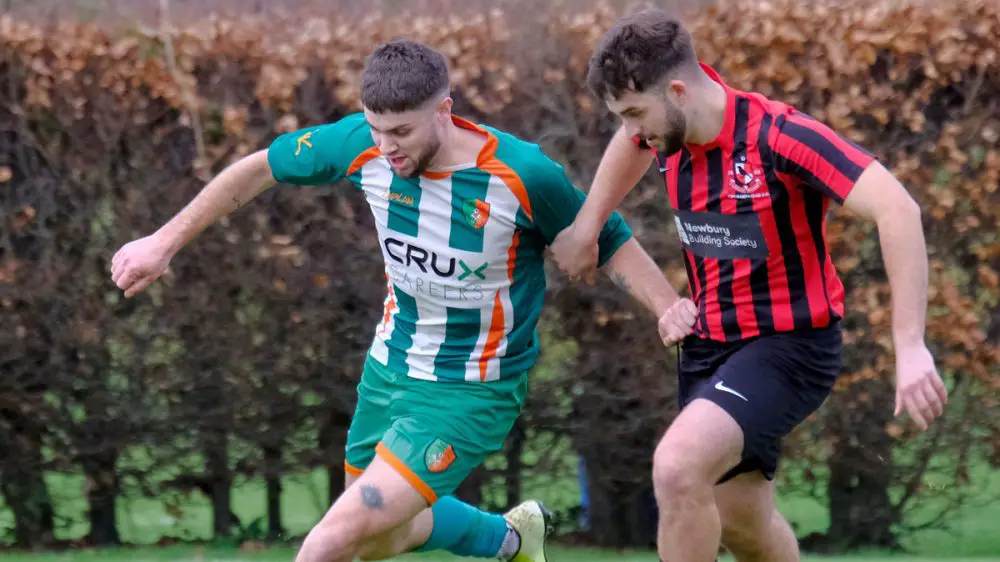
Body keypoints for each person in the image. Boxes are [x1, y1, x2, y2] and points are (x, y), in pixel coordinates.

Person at [110, 39, 686, 562]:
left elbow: (606, 238)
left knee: (328, 545)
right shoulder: (363, 145)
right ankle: (510, 540)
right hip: (388, 373)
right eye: (376, 129)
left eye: (402, 133)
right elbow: (259, 169)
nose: (387, 148)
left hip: (470, 390)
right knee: (378, 539)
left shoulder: (520, 175)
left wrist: (667, 308)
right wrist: (163, 242)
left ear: (444, 109)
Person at [548, 9, 949, 562]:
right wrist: (588, 226)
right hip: (709, 347)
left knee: (676, 466)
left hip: (789, 347)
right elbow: (628, 143)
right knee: (742, 524)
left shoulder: (779, 136)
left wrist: (909, 346)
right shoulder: (664, 129)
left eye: (638, 113)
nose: (635, 131)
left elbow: (897, 209)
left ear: (681, 90)